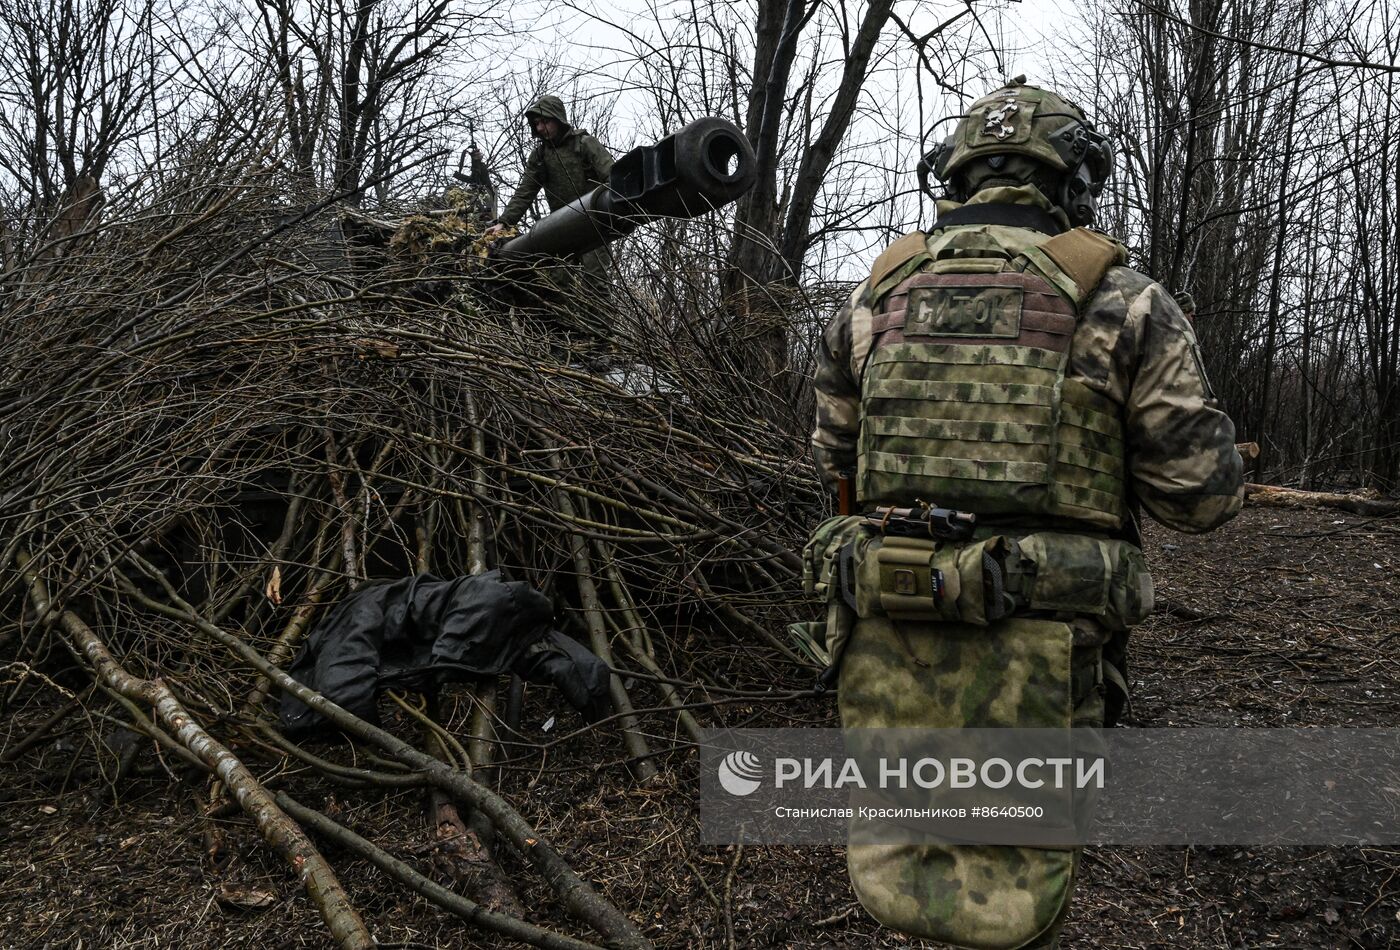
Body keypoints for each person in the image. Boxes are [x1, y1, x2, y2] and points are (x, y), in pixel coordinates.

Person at [806, 77, 1243, 949]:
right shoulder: (1123, 301)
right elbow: (1200, 500)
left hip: (890, 644)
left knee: (911, 866)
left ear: (959, 175)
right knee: (1019, 891)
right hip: (1045, 657)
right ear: (1073, 180)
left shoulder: (873, 297)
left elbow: (833, 460)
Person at [484, 95, 615, 331]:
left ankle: (600, 344)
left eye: (545, 122)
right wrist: (504, 222)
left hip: (595, 225)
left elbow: (613, 178)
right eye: (536, 124)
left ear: (558, 120)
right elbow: (526, 191)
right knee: (556, 283)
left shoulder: (584, 144)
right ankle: (564, 339)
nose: (540, 128)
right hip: (562, 227)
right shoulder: (540, 156)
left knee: (596, 283)